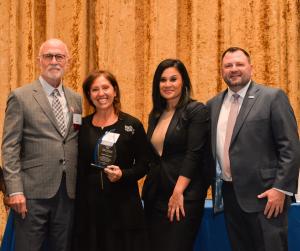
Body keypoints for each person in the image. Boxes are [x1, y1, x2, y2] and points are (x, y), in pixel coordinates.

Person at [207, 47, 300, 251]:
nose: (233, 69)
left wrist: (280, 188)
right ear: (222, 71)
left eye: (239, 64)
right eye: (228, 65)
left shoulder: (272, 97)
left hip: (267, 198)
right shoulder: (213, 105)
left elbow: (290, 147)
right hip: (230, 197)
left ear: (251, 68)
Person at [1, 38, 82, 251]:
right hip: (31, 194)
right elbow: (10, 148)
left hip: (67, 194)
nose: (54, 61)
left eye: (59, 57)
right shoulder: (21, 97)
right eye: (48, 56)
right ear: (39, 61)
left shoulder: (76, 99)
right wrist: (15, 190)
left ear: (68, 62)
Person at [73, 70, 150, 251]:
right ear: (89, 95)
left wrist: (124, 174)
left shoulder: (132, 125)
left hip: (124, 209)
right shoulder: (81, 127)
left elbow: (145, 164)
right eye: (95, 90)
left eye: (106, 87)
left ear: (115, 91)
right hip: (89, 210)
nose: (101, 94)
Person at [142, 59, 211, 251]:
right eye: (163, 80)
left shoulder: (196, 110)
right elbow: (153, 157)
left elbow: (194, 154)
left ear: (184, 82)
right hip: (155, 196)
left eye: (173, 79)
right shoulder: (155, 114)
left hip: (183, 196)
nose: (168, 84)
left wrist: (178, 192)